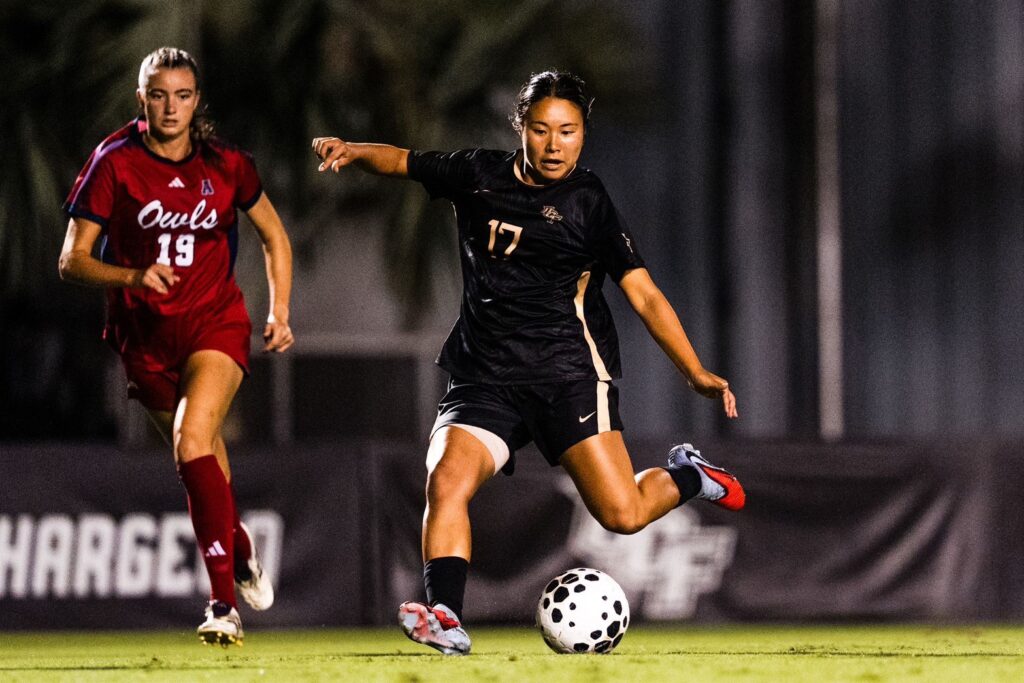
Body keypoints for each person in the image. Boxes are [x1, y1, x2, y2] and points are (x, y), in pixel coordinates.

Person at [312, 70, 744, 656]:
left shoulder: (588, 201)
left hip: (567, 375)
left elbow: (642, 292)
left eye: (568, 131)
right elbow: (404, 162)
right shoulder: (479, 174)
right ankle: (446, 616)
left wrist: (693, 369)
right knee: (445, 483)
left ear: (583, 133)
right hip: (484, 375)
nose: (554, 144)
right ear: (521, 128)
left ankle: (691, 475)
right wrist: (356, 150)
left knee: (622, 513)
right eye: (541, 130)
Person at [59, 47, 294, 647]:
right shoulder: (113, 162)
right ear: (142, 100)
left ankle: (222, 605)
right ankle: (238, 547)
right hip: (144, 341)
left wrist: (280, 309)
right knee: (201, 458)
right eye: (158, 95)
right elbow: (72, 261)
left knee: (193, 441)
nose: (171, 106)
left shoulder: (226, 165)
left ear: (197, 102)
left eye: (182, 95)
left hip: (214, 325)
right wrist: (133, 277)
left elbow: (273, 236)